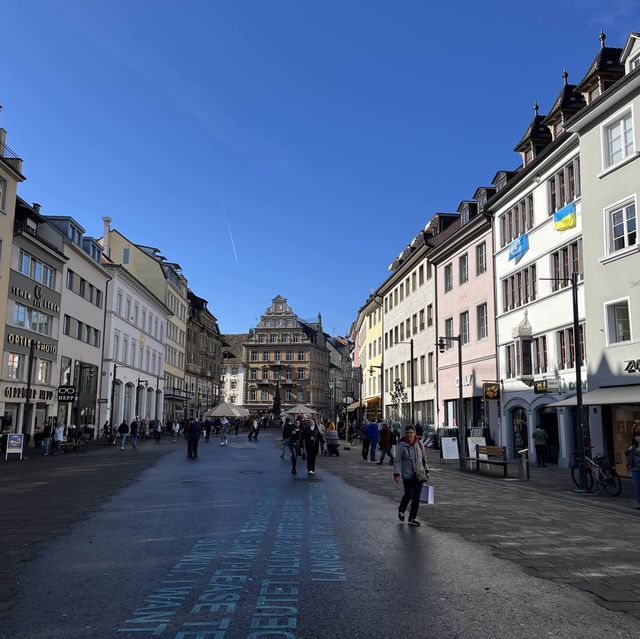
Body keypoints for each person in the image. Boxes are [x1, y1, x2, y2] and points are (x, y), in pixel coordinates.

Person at [393, 425, 430, 526]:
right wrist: (396, 474)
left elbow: (424, 458)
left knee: (416, 498)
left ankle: (412, 518)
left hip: (419, 475)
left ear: (414, 433)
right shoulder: (402, 446)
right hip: (408, 475)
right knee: (409, 494)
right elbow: (397, 461)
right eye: (407, 433)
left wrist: (427, 470)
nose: (409, 434)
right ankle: (401, 509)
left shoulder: (420, 443)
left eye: (411, 432)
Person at [625, 424, 640, 510]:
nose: (637, 438)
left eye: (639, 436)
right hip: (635, 469)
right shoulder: (632, 446)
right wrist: (629, 449)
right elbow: (626, 454)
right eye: (636, 436)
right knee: (638, 487)